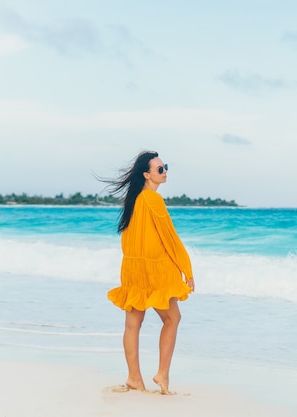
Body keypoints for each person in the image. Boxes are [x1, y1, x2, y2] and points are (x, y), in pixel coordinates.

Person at [103, 150, 195, 395]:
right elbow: (170, 238)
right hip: (154, 270)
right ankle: (162, 375)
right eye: (160, 169)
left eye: (165, 168)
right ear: (147, 174)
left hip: (133, 269)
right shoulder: (153, 200)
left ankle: (134, 378)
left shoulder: (133, 201)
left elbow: (129, 240)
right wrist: (186, 268)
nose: (164, 172)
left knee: (133, 324)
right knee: (172, 319)